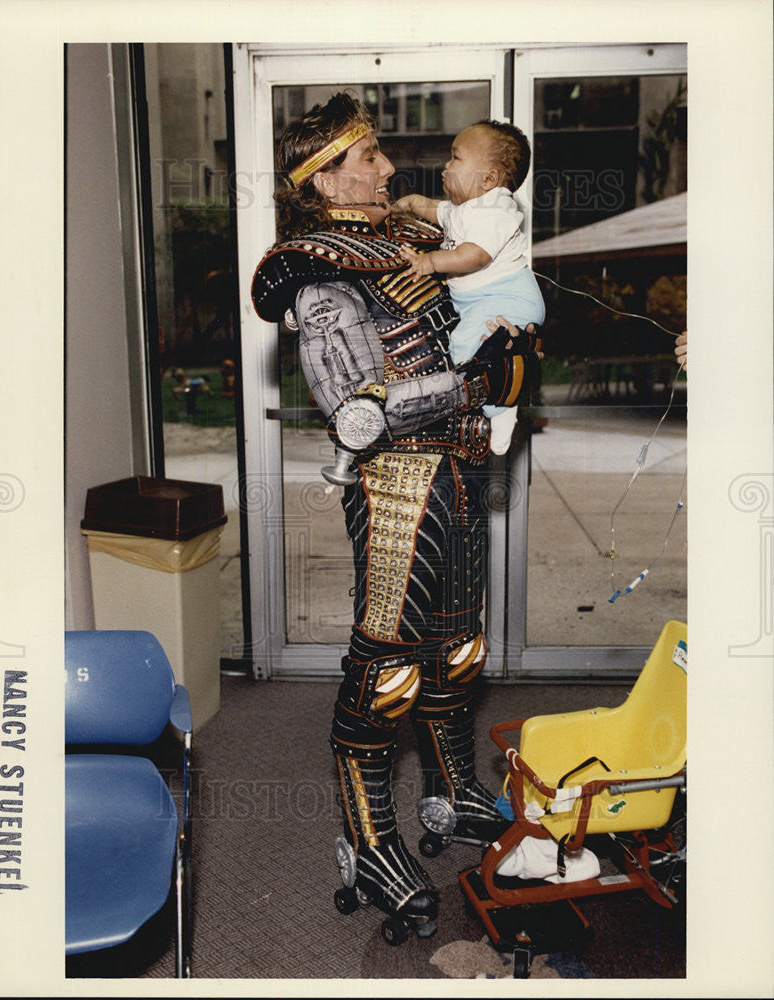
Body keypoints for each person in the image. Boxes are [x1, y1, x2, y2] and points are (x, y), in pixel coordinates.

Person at [251, 92, 541, 942]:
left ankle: (452, 795)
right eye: (368, 155)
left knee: (458, 649)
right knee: (387, 669)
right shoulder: (313, 263)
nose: (386, 168)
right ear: (324, 175)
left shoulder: (420, 241)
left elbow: (509, 333)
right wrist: (484, 381)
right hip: (394, 483)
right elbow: (357, 408)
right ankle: (369, 837)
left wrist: (503, 365)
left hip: (458, 465)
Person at [394, 120, 545, 455]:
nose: (446, 166)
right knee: (463, 349)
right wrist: (411, 203)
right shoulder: (465, 209)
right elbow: (436, 211)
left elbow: (475, 255)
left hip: (506, 298)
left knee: (464, 348)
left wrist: (431, 261)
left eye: (456, 158)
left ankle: (502, 410)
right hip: (480, 301)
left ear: (488, 179)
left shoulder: (496, 208)